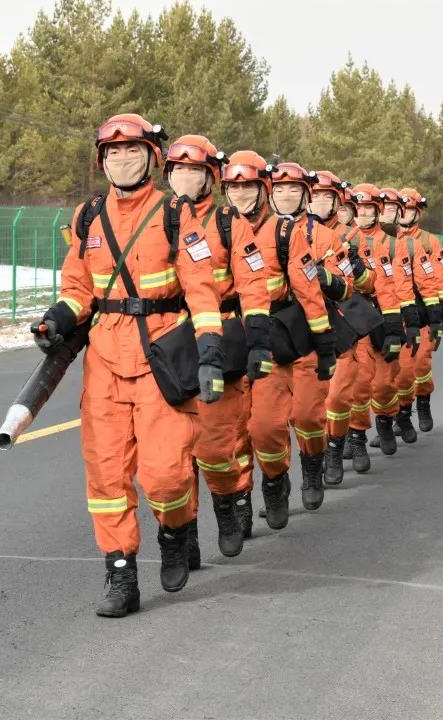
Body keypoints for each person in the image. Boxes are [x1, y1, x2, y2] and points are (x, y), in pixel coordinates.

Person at [33, 114, 224, 618]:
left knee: (166, 476)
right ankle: (120, 575)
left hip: (162, 358)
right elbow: (78, 286)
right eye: (112, 153)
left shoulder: (176, 214)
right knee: (106, 476)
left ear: (152, 158)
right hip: (104, 360)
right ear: (102, 162)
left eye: (132, 151)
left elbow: (201, 289)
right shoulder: (89, 216)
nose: (122, 159)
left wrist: (210, 350)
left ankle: (176, 530)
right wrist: (58, 317)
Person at [162, 134, 274, 561]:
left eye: (194, 170)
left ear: (210, 177)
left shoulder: (230, 223)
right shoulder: (157, 216)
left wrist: (258, 343)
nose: (185, 177)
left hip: (222, 338)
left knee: (214, 444)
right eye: (178, 169)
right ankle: (185, 531)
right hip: (170, 343)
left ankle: (229, 502)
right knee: (176, 451)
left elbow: (254, 286)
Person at [222, 152, 336, 526]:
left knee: (283, 422)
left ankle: (297, 470)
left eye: (248, 187)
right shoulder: (215, 229)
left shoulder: (285, 233)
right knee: (241, 430)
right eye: (234, 187)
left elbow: (309, 291)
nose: (241, 194)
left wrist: (323, 343)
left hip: (278, 337)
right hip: (231, 337)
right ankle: (254, 492)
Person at [309, 170, 374, 484]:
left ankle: (343, 444)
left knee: (343, 393)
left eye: (327, 196)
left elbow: (369, 282)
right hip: (301, 323)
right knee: (306, 404)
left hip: (344, 321)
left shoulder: (353, 236)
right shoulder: (289, 231)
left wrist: (358, 268)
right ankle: (312, 459)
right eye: (316, 195)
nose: (320, 201)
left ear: (338, 201)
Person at [352, 183, 418, 456]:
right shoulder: (341, 240)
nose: (363, 213)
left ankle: (385, 420)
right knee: (356, 382)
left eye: (368, 208)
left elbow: (400, 285)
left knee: (384, 383)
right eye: (358, 208)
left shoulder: (393, 245)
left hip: (384, 317)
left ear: (377, 211)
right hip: (352, 318)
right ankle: (354, 437)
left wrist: (409, 323)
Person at [395, 187, 443, 433]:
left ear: (418, 212)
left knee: (420, 364)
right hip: (396, 311)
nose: (404, 214)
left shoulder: (430, 242)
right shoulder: (387, 239)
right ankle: (400, 414)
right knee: (399, 370)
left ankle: (423, 401)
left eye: (409, 210)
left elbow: (441, 278)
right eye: (401, 210)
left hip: (425, 311)